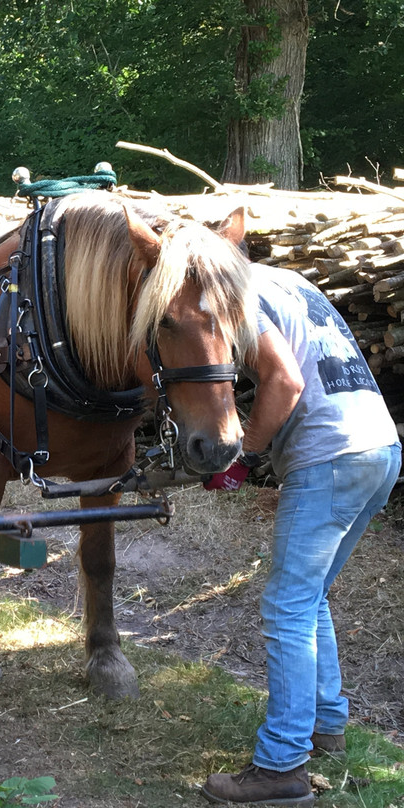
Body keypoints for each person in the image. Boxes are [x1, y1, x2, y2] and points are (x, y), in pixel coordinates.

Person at [200, 263, 401, 806]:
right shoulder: (292, 282)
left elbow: (285, 379)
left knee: (286, 606)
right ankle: (328, 724)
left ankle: (282, 764)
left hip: (329, 456)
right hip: (379, 447)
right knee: (307, 598)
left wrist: (244, 457)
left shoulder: (232, 292)